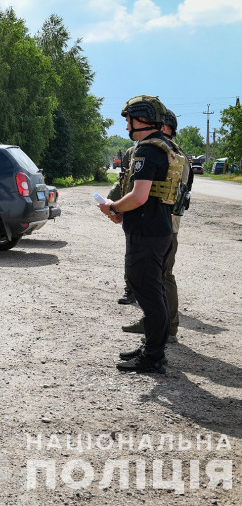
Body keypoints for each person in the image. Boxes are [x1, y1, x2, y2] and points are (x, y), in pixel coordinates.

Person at [99, 95, 178, 374]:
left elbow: (139, 195)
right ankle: (152, 349)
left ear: (141, 119)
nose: (126, 127)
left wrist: (113, 207)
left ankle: (153, 357)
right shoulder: (168, 147)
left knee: (150, 296)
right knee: (154, 293)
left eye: (128, 120)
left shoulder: (147, 150)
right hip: (161, 231)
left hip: (146, 234)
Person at [119, 109, 193, 344]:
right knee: (150, 280)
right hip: (150, 222)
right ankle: (153, 325)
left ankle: (167, 329)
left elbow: (182, 193)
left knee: (162, 277)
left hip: (164, 225)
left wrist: (116, 208)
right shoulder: (153, 149)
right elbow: (128, 183)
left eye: (165, 128)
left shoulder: (171, 154)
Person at [108, 145, 137, 306]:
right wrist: (114, 204)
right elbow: (124, 181)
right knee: (131, 254)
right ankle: (130, 290)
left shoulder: (168, 150)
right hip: (131, 211)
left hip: (156, 214)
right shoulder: (131, 152)